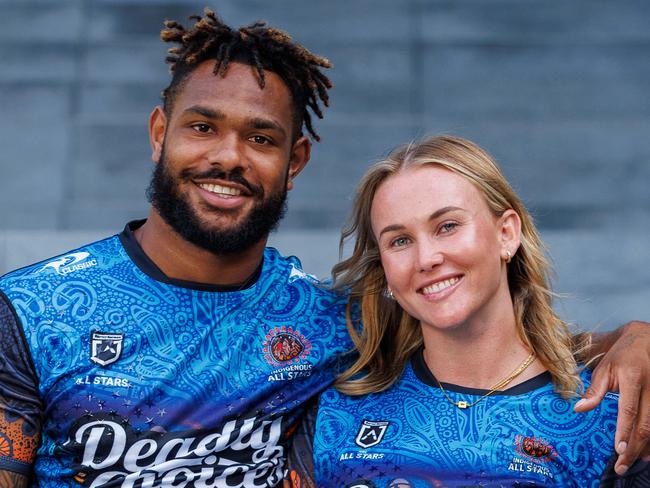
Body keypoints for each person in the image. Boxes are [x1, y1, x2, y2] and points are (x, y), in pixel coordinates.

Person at [0, 8, 647, 488]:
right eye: (202, 127)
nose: (227, 156)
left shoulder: (333, 320)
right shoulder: (32, 310)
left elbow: (498, 338)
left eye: (260, 137)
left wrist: (636, 339)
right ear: (159, 131)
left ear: (295, 160)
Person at [287, 135, 650, 487]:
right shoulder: (333, 413)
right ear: (385, 270)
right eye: (399, 241)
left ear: (506, 234)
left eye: (448, 226)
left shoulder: (607, 417)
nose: (426, 258)